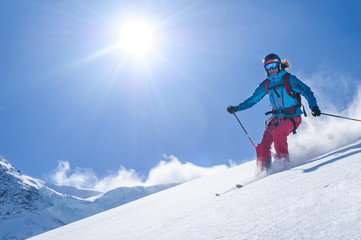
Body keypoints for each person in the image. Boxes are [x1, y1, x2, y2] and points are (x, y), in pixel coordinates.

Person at [227, 53, 321, 172]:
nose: (271, 69)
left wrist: (314, 107)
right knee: (261, 147)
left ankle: (283, 164)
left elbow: (307, 91)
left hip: (293, 117)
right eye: (268, 67)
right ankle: (262, 173)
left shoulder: (289, 79)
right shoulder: (266, 84)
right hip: (276, 118)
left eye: (273, 65)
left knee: (278, 133)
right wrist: (237, 108)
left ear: (279, 65)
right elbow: (253, 100)